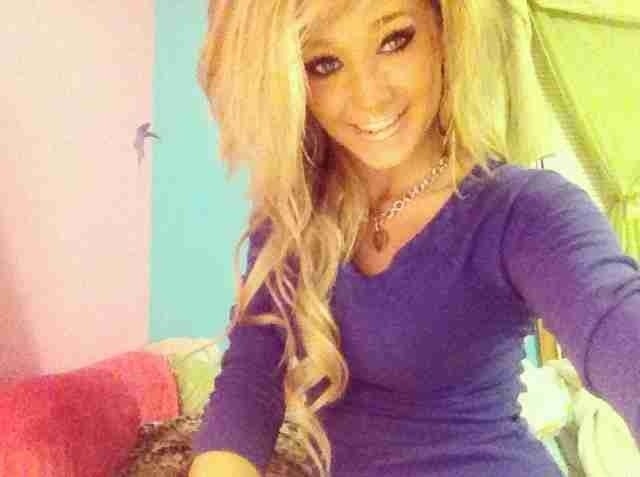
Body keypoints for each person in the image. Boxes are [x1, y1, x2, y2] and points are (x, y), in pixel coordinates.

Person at [188, 0, 640, 476]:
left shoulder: (522, 210)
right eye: (324, 63)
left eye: (394, 40)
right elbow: (248, 387)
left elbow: (615, 323)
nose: (370, 98)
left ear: (443, 32)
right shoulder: (290, 225)